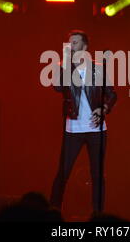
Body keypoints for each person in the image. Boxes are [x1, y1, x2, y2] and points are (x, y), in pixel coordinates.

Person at [50, 30, 117, 213]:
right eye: (69, 42)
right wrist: (66, 63)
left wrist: (103, 109)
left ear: (85, 47)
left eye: (75, 42)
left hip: (97, 131)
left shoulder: (97, 69)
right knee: (63, 173)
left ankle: (98, 215)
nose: (71, 45)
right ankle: (52, 211)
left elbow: (112, 95)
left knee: (97, 176)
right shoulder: (63, 67)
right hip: (73, 130)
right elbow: (57, 87)